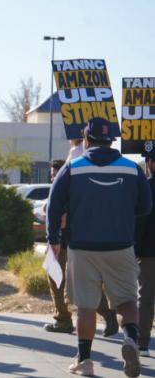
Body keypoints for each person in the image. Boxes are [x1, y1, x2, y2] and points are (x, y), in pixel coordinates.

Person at [47, 117, 152, 377]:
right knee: (128, 300)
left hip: (82, 247)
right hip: (121, 245)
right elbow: (146, 207)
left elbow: (54, 206)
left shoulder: (73, 167)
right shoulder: (132, 168)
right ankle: (130, 339)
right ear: (111, 141)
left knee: (86, 306)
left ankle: (85, 361)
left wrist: (54, 240)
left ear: (86, 139)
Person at [44, 158, 118, 335]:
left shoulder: (63, 193)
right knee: (84, 284)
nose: (53, 179)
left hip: (63, 244)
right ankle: (108, 315)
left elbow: (61, 221)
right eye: (52, 175)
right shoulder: (78, 190)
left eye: (55, 175)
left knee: (58, 282)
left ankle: (63, 319)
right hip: (77, 243)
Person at [135, 147, 155, 356]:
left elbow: (140, 222)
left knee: (146, 299)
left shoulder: (147, 188)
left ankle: (142, 343)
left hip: (149, 253)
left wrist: (135, 250)